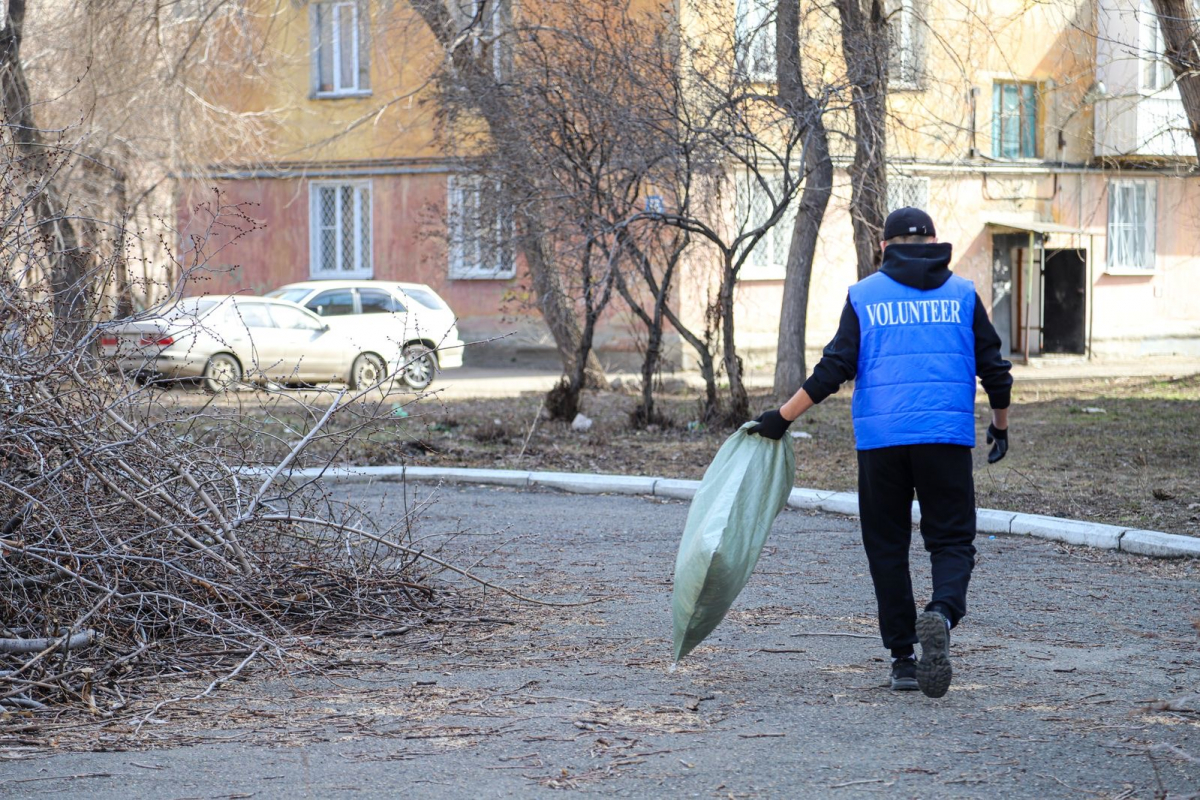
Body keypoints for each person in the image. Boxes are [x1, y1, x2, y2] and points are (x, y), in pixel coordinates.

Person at [748, 207, 1012, 698]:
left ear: (885, 247)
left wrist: (781, 418)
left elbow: (835, 367)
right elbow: (995, 369)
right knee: (952, 542)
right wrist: (1000, 427)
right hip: (945, 438)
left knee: (887, 547)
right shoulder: (962, 295)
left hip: (882, 443)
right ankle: (941, 613)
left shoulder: (864, 295)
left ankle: (904, 660)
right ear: (935, 242)